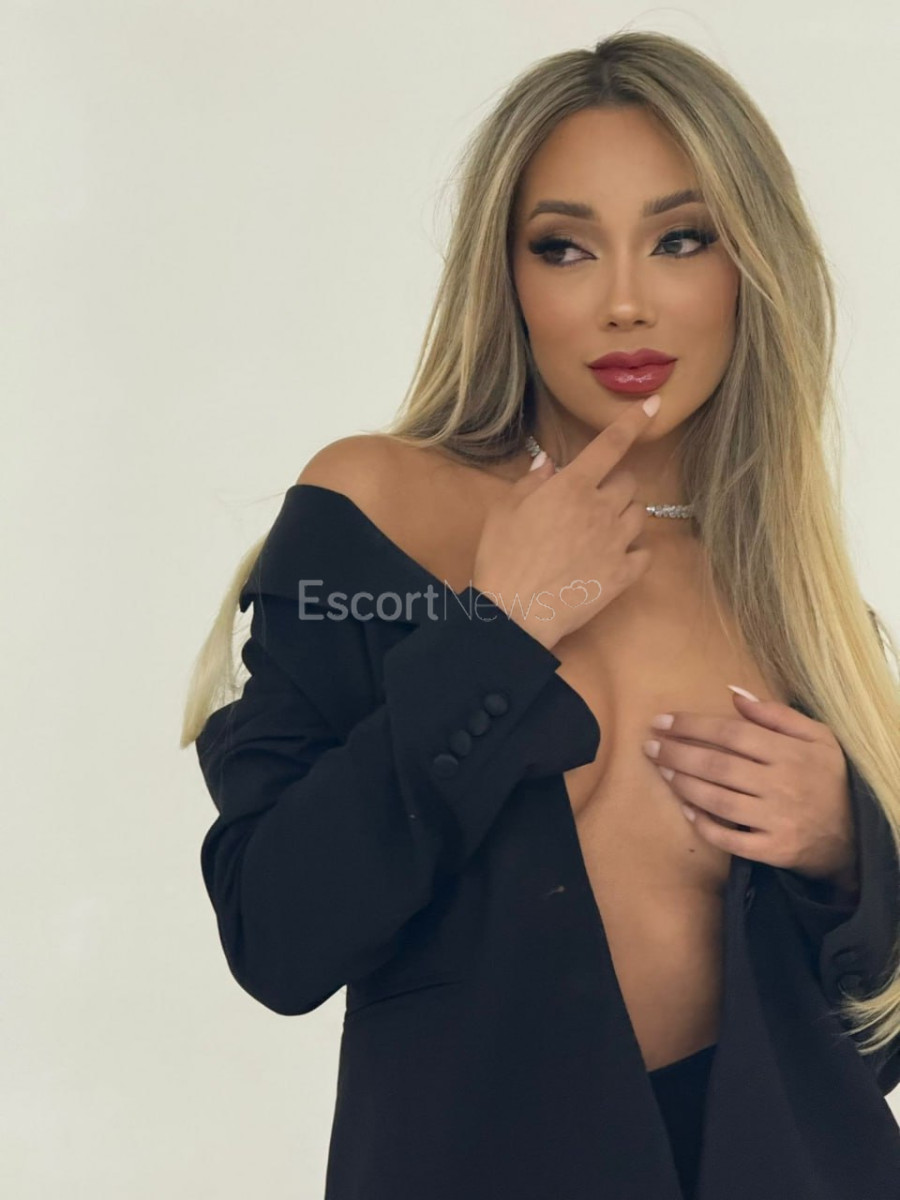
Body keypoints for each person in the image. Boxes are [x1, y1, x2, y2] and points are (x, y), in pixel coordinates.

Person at [182, 30, 900, 1200]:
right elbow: (278, 936)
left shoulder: (799, 604)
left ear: (750, 266)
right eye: (564, 247)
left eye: (681, 239)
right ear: (506, 278)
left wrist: (844, 850)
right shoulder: (377, 512)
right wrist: (500, 628)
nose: (626, 302)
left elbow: (864, 1051)